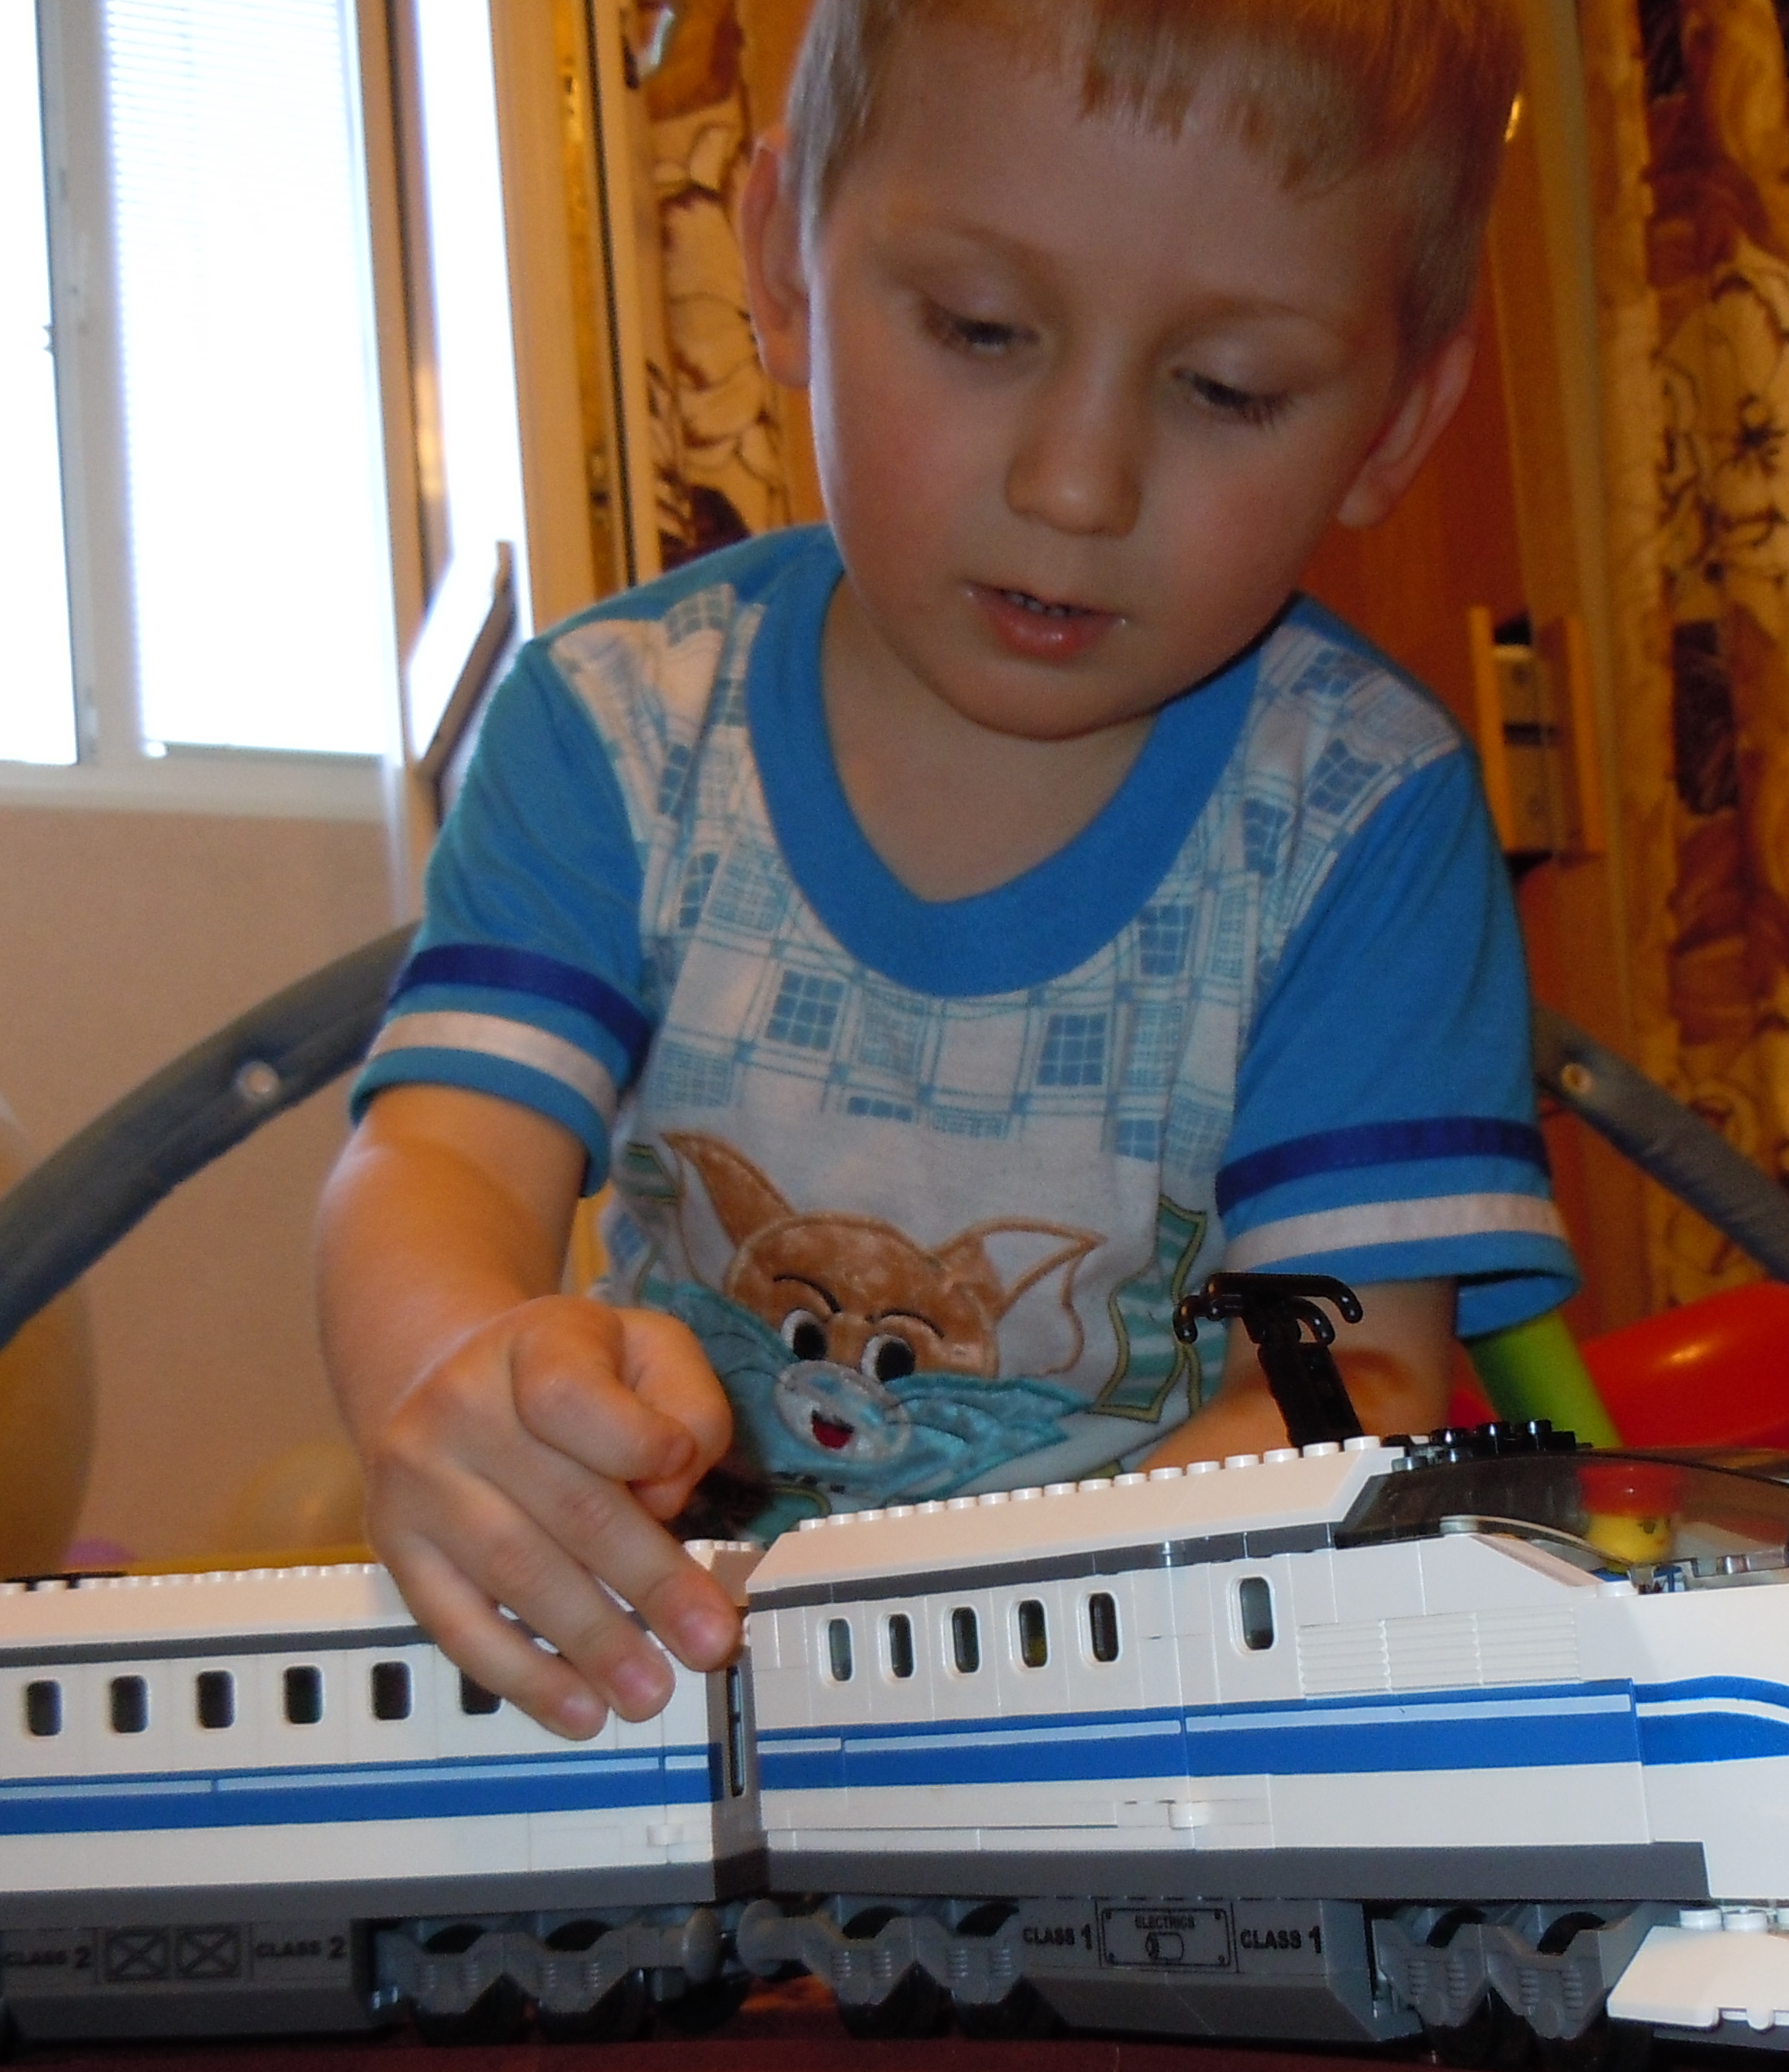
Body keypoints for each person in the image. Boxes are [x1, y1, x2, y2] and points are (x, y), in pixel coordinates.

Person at [318, 0, 1572, 1735]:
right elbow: (441, 1154)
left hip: (1143, 1712)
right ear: (784, 264)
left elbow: (1341, 1374)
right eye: (981, 328)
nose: (1077, 484)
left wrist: (999, 1660)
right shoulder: (614, 730)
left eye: (1230, 388)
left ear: (1395, 421)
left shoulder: (1362, 817)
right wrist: (454, 1380)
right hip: (668, 1682)